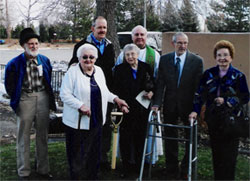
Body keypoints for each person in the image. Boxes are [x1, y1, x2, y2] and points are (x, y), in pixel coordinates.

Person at [60, 43, 129, 180]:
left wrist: (116, 99)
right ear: (79, 58)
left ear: (96, 58)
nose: (88, 60)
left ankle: (93, 176)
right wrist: (80, 105)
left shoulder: (99, 71)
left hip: (96, 120)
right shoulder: (72, 72)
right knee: (77, 155)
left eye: (91, 57)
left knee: (94, 153)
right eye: (84, 57)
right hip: (77, 123)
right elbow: (64, 94)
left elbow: (104, 92)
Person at [189, 40, 249, 180]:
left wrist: (228, 102)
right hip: (214, 119)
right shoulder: (209, 74)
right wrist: (195, 111)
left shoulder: (238, 76)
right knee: (217, 153)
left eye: (225, 55)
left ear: (231, 57)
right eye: (219, 55)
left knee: (230, 155)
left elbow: (245, 97)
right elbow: (199, 94)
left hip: (232, 121)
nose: (222, 58)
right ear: (215, 57)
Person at [4, 28, 56, 180]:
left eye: (36, 43)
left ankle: (43, 169)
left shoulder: (44, 60)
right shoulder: (14, 64)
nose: (34, 46)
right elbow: (10, 85)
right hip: (25, 99)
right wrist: (18, 100)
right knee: (23, 137)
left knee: (42, 136)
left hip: (42, 98)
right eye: (30, 44)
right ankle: (24, 171)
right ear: (23, 46)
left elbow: (48, 79)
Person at [152, 32, 203, 179]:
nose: (182, 46)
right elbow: (160, 84)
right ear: (174, 44)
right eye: (179, 43)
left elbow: (198, 88)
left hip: (188, 107)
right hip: (170, 104)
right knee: (170, 137)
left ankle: (186, 169)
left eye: (185, 43)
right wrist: (157, 103)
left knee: (191, 138)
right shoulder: (165, 60)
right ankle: (171, 169)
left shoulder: (196, 61)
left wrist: (196, 108)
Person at [68, 16, 115, 169]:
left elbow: (110, 70)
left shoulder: (109, 46)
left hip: (103, 93)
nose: (102, 30)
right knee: (86, 129)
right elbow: (73, 65)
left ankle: (102, 157)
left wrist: (112, 96)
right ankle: (85, 159)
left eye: (104, 28)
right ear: (92, 28)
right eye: (99, 27)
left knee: (104, 126)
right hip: (85, 94)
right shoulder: (82, 45)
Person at [113, 43, 155, 178]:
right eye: (127, 55)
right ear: (124, 56)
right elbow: (116, 89)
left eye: (133, 54)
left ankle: (139, 165)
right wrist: (121, 105)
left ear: (138, 55)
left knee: (140, 138)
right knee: (126, 139)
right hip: (126, 108)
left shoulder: (146, 67)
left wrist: (151, 93)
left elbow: (153, 84)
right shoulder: (119, 70)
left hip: (142, 109)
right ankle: (126, 167)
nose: (130, 57)